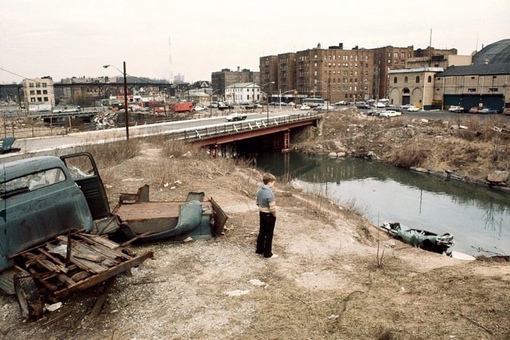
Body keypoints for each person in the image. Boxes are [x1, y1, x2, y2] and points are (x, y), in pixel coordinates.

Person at [255, 173, 278, 259]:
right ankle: (268, 253)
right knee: (269, 234)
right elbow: (272, 207)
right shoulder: (270, 193)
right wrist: (275, 215)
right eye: (273, 182)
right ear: (269, 182)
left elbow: (257, 201)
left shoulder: (259, 190)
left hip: (261, 213)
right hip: (269, 215)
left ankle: (259, 249)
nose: (273, 184)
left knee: (262, 231)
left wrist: (261, 207)